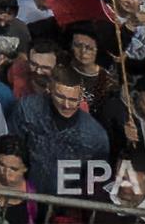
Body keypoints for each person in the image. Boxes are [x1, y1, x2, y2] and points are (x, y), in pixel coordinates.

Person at [7, 65, 110, 198]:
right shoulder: (27, 109)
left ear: (81, 98)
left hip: (64, 203)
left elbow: (94, 182)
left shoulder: (95, 135)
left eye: (73, 100)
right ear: (49, 89)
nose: (66, 105)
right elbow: (9, 149)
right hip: (22, 192)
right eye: (60, 97)